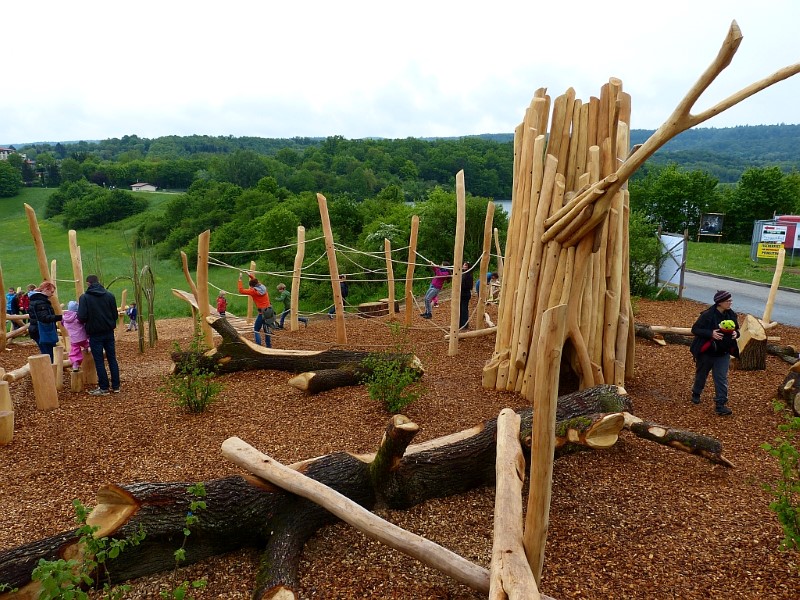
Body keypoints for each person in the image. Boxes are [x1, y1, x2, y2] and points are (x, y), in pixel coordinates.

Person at [689, 290, 739, 416]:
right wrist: (711, 333)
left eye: (730, 300)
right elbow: (695, 329)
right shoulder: (707, 315)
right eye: (728, 301)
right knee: (702, 374)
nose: (730, 303)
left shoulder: (731, 314)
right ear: (720, 302)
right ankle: (696, 392)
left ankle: (720, 404)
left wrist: (736, 333)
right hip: (707, 351)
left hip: (723, 352)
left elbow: (737, 329)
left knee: (721, 378)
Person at [78, 274, 121, 395]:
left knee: (99, 361)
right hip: (108, 331)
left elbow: (81, 317)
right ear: (98, 282)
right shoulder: (110, 296)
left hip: (95, 333)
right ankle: (116, 386)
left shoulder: (85, 298)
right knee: (112, 358)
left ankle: (104, 387)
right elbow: (115, 315)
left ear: (88, 284)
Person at [27, 281, 62, 361]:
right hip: (42, 331)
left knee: (47, 353)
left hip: (36, 330)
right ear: (46, 290)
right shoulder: (41, 302)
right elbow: (44, 318)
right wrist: (61, 317)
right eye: (51, 292)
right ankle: (51, 372)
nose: (52, 294)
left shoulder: (35, 300)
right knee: (49, 355)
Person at [238, 271, 272, 347]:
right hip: (269, 312)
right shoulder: (263, 287)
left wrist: (240, 278)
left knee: (256, 330)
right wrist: (249, 275)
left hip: (262, 313)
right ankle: (269, 346)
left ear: (253, 287)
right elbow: (256, 281)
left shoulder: (253, 291)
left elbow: (241, 290)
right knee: (266, 330)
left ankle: (258, 346)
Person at [62, 300, 89, 371]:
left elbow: (63, 324)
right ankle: (88, 348)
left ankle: (75, 364)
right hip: (82, 337)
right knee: (88, 343)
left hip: (73, 339)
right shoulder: (78, 317)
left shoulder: (65, 318)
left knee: (74, 352)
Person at [460, 262, 474, 330]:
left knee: (464, 310)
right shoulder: (462, 274)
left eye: (465, 265)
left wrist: (460, 286)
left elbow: (469, 286)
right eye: (464, 264)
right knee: (460, 309)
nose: (464, 266)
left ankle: (464, 325)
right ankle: (460, 324)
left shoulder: (469, 275)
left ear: (468, 267)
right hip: (461, 294)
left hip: (465, 294)